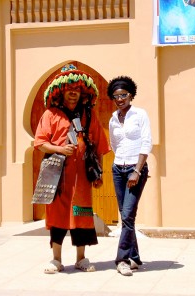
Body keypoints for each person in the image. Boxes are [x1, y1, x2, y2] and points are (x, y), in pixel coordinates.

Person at [34, 64, 111, 274]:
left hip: (81, 180)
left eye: (77, 89)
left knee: (81, 215)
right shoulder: (50, 114)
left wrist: (99, 173)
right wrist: (60, 148)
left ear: (82, 92)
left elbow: (99, 147)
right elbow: (40, 142)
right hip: (57, 178)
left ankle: (81, 258)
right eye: (69, 89)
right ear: (61, 91)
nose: (73, 92)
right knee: (58, 215)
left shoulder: (89, 116)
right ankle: (56, 260)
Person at [107, 75, 152, 276]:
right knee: (126, 217)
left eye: (124, 95)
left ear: (131, 95)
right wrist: (122, 164)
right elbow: (114, 145)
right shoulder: (113, 119)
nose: (120, 99)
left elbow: (146, 143)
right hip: (118, 169)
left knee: (127, 215)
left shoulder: (140, 115)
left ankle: (122, 259)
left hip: (136, 169)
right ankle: (134, 257)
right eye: (116, 96)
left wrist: (137, 170)